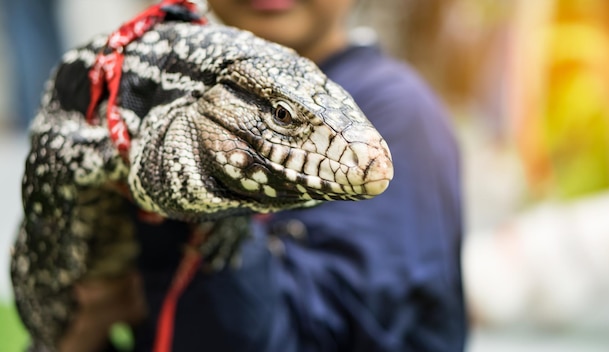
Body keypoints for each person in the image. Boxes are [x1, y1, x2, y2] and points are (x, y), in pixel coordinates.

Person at [60, 1, 467, 351]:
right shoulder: (182, 94)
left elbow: (317, 337)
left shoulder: (400, 113)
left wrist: (211, 210)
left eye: (283, 116)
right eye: (281, 116)